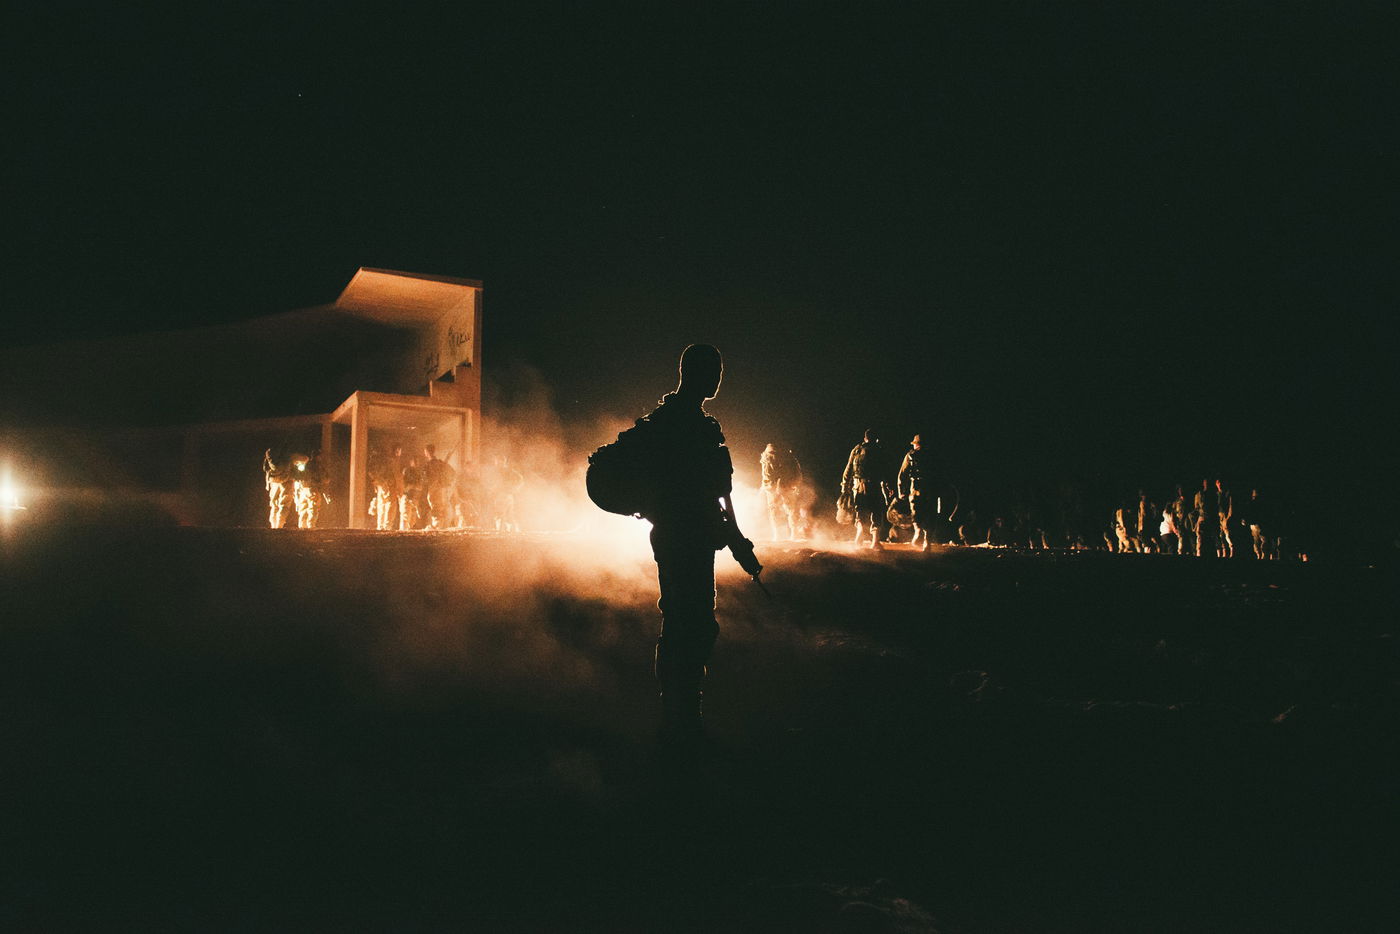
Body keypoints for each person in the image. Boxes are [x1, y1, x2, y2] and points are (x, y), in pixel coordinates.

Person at [640, 344, 762, 739]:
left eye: (719, 372)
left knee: (689, 622)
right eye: (713, 371)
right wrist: (735, 540)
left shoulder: (682, 421)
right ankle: (680, 714)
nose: (718, 380)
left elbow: (717, 496)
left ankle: (681, 709)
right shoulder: (684, 424)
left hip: (687, 535)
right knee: (687, 623)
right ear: (691, 372)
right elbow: (706, 494)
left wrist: (737, 541)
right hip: (683, 535)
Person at [840, 429, 891, 549]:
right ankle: (875, 542)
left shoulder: (856, 450)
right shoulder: (879, 451)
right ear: (876, 439)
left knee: (860, 512)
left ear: (865, 438)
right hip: (874, 485)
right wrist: (888, 486)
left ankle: (859, 538)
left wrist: (845, 488)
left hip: (858, 487)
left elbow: (848, 470)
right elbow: (885, 470)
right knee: (876, 512)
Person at [897, 434, 934, 551]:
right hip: (930, 489)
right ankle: (927, 541)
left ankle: (918, 532)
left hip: (916, 488)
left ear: (916, 444)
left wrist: (901, 492)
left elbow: (902, 475)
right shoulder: (933, 456)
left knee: (915, 512)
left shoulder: (911, 455)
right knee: (929, 513)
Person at [759, 443, 800, 541]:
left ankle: (792, 533)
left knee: (789, 509)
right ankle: (781, 534)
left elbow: (795, 473)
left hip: (785, 485)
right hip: (776, 486)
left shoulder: (784, 458)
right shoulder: (767, 458)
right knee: (778, 509)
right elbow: (766, 474)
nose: (774, 456)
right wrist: (766, 485)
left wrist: (794, 484)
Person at [422, 443, 457, 529]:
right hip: (442, 489)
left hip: (434, 489)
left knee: (436, 509)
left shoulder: (428, 465)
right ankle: (442, 527)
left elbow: (424, 479)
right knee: (443, 508)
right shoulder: (440, 463)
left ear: (427, 452)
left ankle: (437, 527)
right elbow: (452, 473)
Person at [262, 448, 294, 529]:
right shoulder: (288, 452)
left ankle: (273, 526)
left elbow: (265, 468)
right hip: (286, 480)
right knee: (285, 503)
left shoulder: (269, 453)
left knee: (274, 504)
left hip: (273, 480)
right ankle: (280, 525)